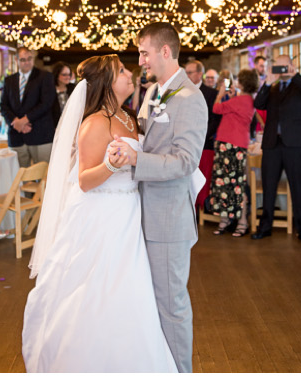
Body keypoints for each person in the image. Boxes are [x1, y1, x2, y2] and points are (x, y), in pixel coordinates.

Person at [22, 54, 176, 372]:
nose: (129, 74)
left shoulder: (126, 117)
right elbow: (85, 180)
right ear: (106, 81)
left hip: (128, 211)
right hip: (101, 214)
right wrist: (110, 164)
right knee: (99, 287)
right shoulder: (95, 123)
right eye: (121, 71)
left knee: (130, 288)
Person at [106, 22, 207, 372]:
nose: (141, 60)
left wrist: (136, 158)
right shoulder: (153, 94)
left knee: (171, 304)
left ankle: (181, 373)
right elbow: (149, 136)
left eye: (145, 52)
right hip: (143, 212)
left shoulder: (191, 99)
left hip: (167, 218)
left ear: (165, 51)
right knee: (150, 302)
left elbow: (184, 161)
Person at [251, 53, 301, 245]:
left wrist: (295, 75)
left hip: (295, 144)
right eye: (277, 67)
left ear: (291, 66)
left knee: (297, 187)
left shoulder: (299, 86)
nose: (281, 70)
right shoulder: (272, 88)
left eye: (284, 66)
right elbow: (257, 104)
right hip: (272, 144)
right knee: (269, 187)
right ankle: (265, 227)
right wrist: (266, 83)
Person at [208, 69, 260, 237]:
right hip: (233, 142)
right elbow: (233, 112)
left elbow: (216, 108)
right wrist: (230, 98)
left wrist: (220, 94)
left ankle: (240, 220)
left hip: (231, 144)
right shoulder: (245, 100)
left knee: (233, 184)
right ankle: (229, 220)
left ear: (243, 83)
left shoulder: (242, 100)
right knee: (229, 183)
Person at [0, 47, 56, 167]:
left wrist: (25, 120)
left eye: (29, 59)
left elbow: (46, 103)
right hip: (16, 136)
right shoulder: (9, 80)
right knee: (18, 176)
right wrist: (16, 122)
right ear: (16, 60)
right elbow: (3, 106)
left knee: (42, 176)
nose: (26, 62)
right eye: (23, 60)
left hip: (40, 134)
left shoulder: (45, 76)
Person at [185, 60, 220, 207]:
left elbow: (215, 119)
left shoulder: (212, 93)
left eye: (189, 73)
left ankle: (201, 206)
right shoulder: (182, 91)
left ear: (199, 74)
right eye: (185, 72)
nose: (186, 76)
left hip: (204, 142)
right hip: (185, 142)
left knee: (203, 177)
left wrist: (201, 136)